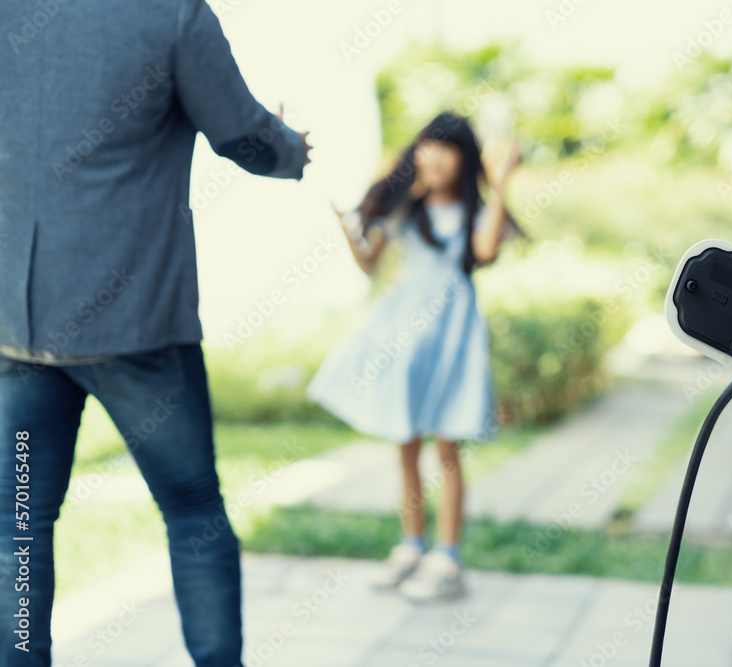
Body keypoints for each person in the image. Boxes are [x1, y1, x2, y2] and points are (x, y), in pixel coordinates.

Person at [0, 1, 312, 665]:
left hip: (19, 330)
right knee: (194, 510)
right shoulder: (170, 14)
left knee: (18, 524)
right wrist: (292, 147)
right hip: (136, 329)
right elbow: (243, 135)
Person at [306, 111, 522, 601]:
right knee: (405, 440)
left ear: (463, 159)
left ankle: (447, 555)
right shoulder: (404, 209)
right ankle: (411, 544)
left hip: (451, 335)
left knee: (447, 447)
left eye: (446, 147)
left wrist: (504, 180)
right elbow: (369, 264)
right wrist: (346, 229)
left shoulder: (473, 212)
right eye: (427, 145)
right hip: (403, 333)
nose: (433, 156)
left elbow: (485, 251)